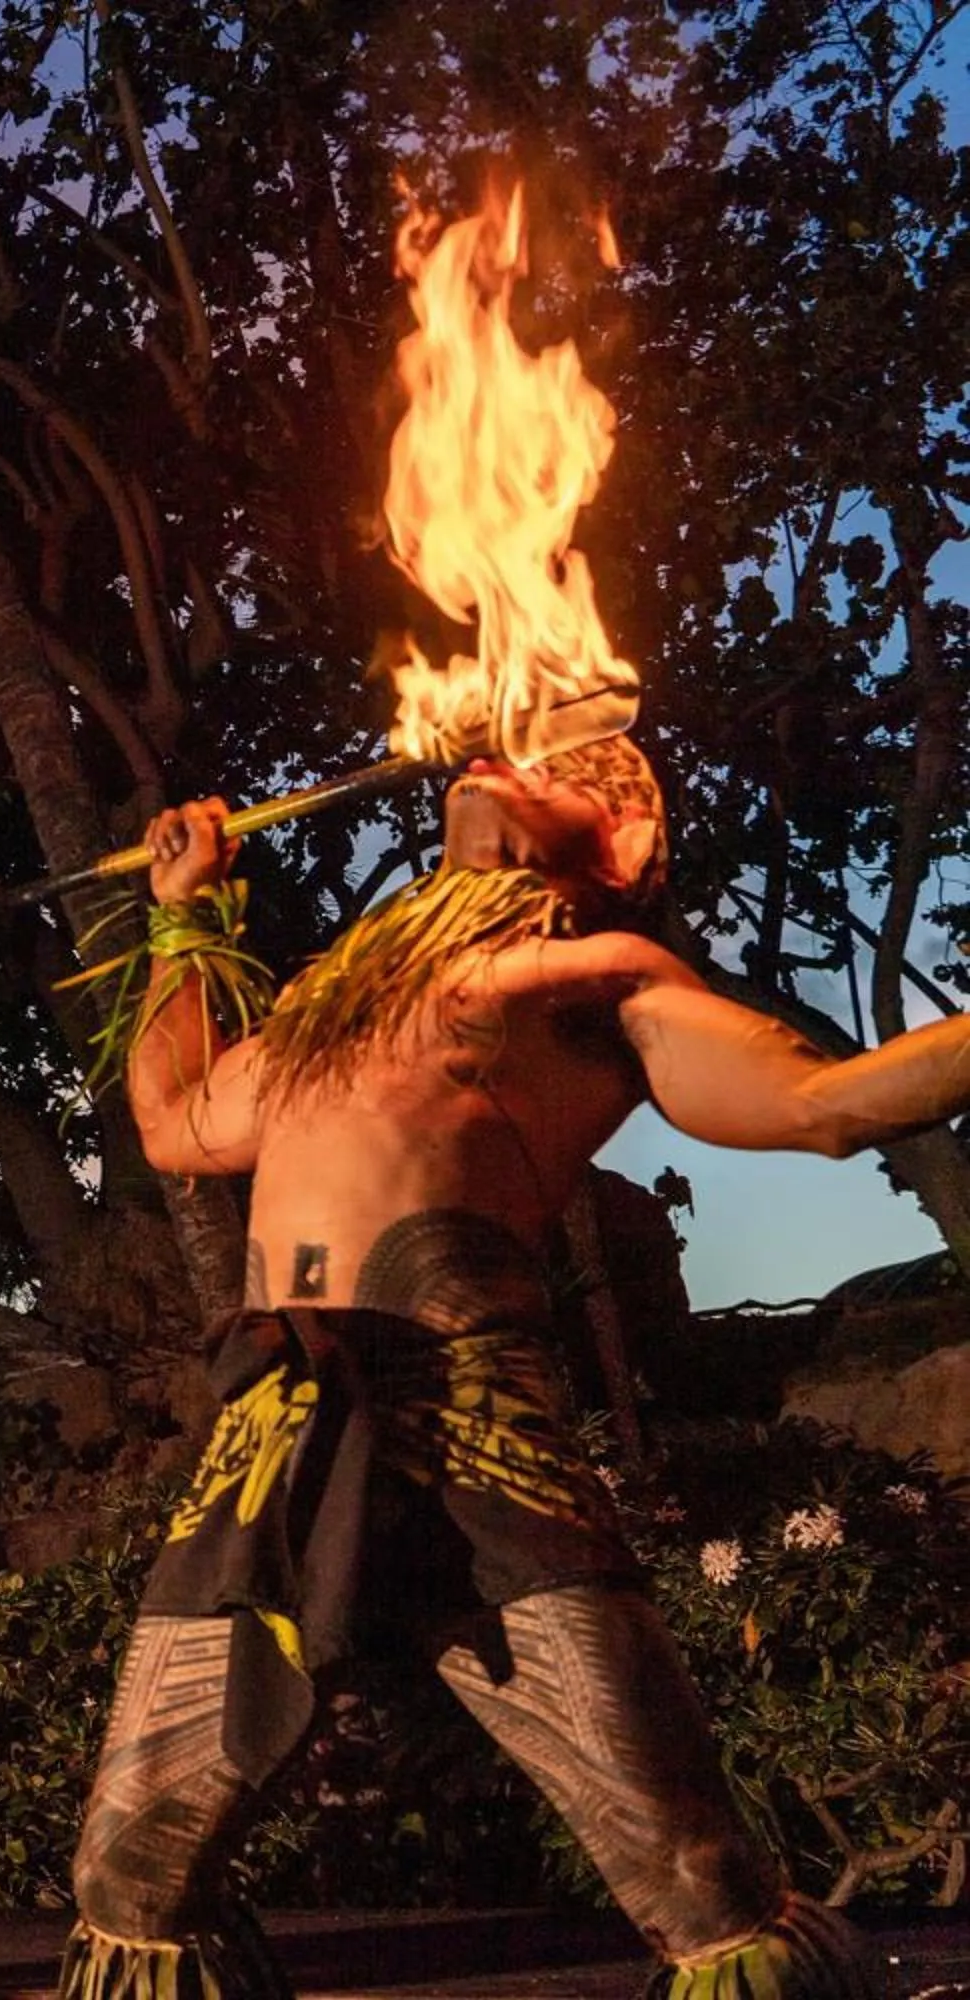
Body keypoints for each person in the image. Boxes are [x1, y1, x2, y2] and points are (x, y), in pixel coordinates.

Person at [62, 735, 930, 1998]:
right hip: (279, 1447)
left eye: (579, 762)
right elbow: (177, 1119)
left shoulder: (587, 981)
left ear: (622, 843)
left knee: (694, 1873)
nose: (513, 747)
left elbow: (823, 1102)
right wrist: (186, 922)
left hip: (472, 1430)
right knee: (129, 1885)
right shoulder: (327, 1012)